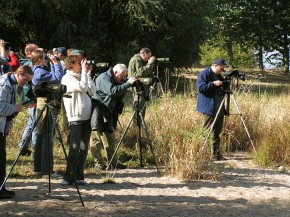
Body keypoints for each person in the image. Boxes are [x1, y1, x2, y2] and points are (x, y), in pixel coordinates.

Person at [90, 64, 137, 170]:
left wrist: (127, 83)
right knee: (96, 138)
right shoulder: (103, 78)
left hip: (109, 112)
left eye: (125, 76)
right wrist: (128, 83)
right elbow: (113, 91)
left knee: (110, 138)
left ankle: (113, 162)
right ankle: (98, 163)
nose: (123, 78)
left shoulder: (117, 79)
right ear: (115, 73)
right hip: (98, 110)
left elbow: (119, 92)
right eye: (122, 76)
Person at [60, 55, 95, 185]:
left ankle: (79, 176)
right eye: (79, 63)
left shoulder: (82, 76)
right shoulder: (67, 78)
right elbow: (82, 88)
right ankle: (68, 177)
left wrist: (88, 74)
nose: (82, 64)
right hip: (75, 117)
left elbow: (92, 91)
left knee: (83, 148)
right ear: (71, 64)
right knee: (74, 148)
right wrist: (85, 74)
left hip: (87, 117)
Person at [0, 65, 33, 199]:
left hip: (2, 125)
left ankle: (1, 188)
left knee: (2, 159)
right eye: (25, 80)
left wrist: (8, 124)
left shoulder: (14, 84)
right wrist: (15, 108)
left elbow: (11, 106)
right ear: (18, 74)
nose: (26, 83)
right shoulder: (4, 84)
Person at [31, 49, 64, 177]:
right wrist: (56, 63)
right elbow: (58, 78)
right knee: (47, 136)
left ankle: (38, 168)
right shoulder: (39, 72)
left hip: (42, 103)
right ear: (39, 59)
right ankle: (47, 170)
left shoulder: (36, 70)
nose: (46, 59)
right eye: (44, 57)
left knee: (40, 135)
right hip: (46, 104)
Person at [196, 57, 229, 161]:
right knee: (206, 131)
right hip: (209, 108)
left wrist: (227, 81)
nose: (222, 70)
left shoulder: (218, 75)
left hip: (219, 108)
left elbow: (224, 88)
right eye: (221, 67)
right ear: (215, 65)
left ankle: (215, 154)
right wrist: (213, 84)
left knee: (216, 132)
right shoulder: (204, 74)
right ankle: (203, 154)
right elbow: (201, 88)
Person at [18, 43, 39, 157]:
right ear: (30, 53)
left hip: (29, 98)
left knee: (31, 123)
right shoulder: (29, 66)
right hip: (32, 99)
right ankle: (34, 148)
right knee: (34, 123)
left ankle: (23, 146)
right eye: (36, 51)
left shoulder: (27, 64)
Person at [128, 47, 156, 122]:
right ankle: (137, 124)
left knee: (142, 106)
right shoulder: (136, 60)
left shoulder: (140, 60)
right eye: (148, 56)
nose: (149, 58)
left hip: (141, 87)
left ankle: (140, 123)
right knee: (138, 107)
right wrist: (149, 63)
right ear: (144, 54)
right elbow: (141, 73)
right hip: (138, 88)